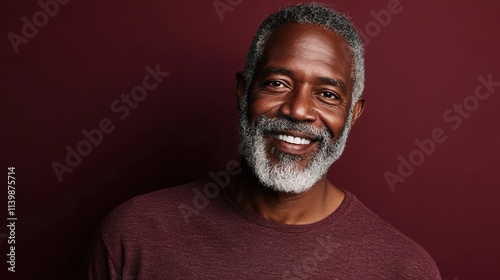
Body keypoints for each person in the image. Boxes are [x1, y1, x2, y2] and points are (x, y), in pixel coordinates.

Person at [86, 3, 441, 279]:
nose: (299, 110)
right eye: (278, 84)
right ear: (243, 91)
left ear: (353, 114)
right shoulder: (135, 237)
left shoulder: (403, 269)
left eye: (328, 94)